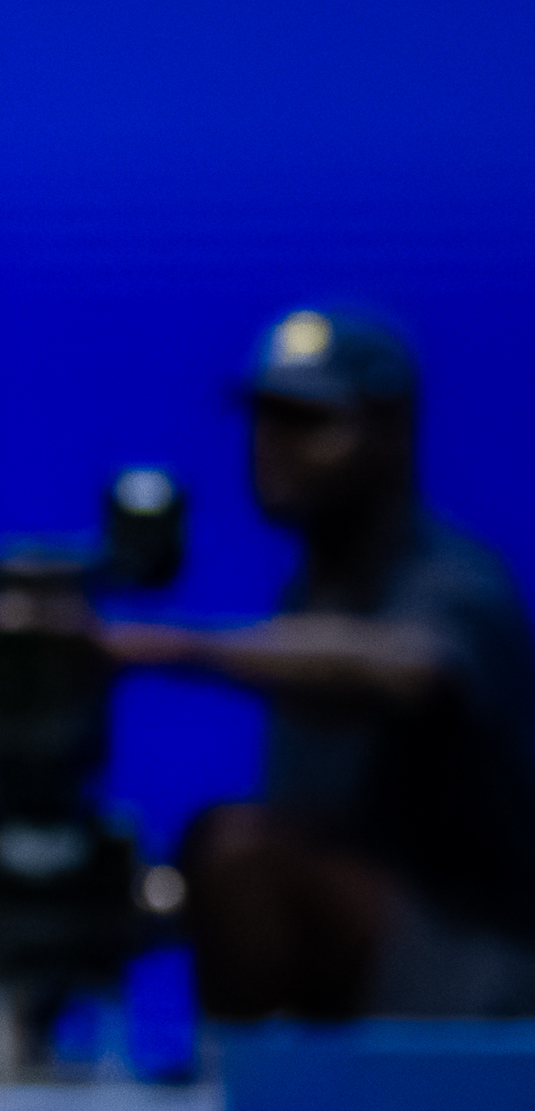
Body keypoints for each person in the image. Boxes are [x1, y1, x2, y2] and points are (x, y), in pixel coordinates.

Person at [115, 306, 535, 1019]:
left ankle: (256, 1105)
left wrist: (175, 647)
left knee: (241, 858)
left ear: (391, 435)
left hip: (473, 980)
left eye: (307, 422)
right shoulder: (304, 595)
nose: (270, 446)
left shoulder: (454, 578)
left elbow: (411, 669)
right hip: (363, 998)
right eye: (263, 419)